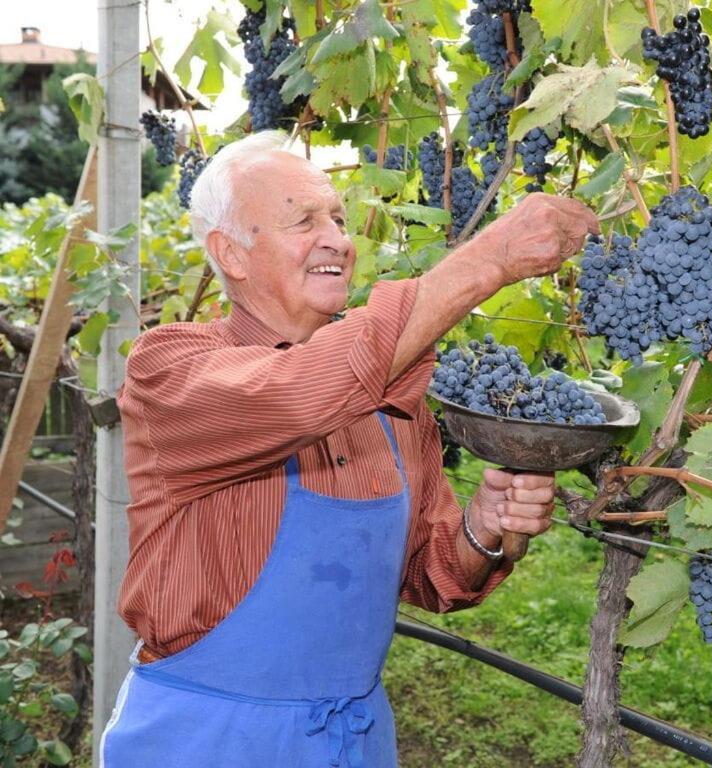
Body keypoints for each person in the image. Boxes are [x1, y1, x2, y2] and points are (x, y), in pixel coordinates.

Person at [99, 131, 599, 767]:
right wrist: (489, 260)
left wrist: (484, 528)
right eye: (303, 220)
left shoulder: (390, 399)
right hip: (205, 739)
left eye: (337, 217)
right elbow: (294, 394)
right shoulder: (169, 368)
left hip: (353, 742)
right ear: (233, 253)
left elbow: (430, 572)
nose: (337, 237)